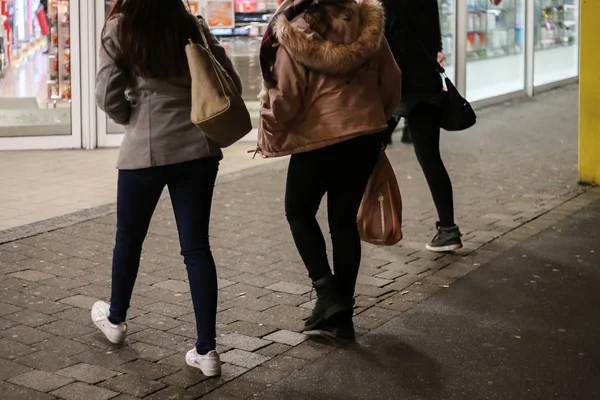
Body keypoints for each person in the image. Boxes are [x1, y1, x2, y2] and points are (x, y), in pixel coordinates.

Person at [92, 0, 242, 377]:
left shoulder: (120, 27)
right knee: (196, 247)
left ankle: (116, 321)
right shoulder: (190, 24)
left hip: (145, 148)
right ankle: (207, 352)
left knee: (128, 239)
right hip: (198, 147)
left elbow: (106, 94)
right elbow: (230, 82)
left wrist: (135, 117)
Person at [258, 0, 401, 339]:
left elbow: (288, 100)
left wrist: (271, 112)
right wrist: (374, 116)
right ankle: (343, 312)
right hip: (363, 136)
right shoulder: (367, 22)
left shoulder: (296, 29)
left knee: (298, 211)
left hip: (319, 140)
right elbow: (392, 80)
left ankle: (326, 294)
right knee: (343, 221)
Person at [381, 0, 463, 252]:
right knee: (430, 158)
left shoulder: (384, 4)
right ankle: (448, 230)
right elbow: (434, 40)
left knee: (368, 155)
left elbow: (382, 44)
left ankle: (370, 219)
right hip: (426, 84)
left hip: (396, 87)